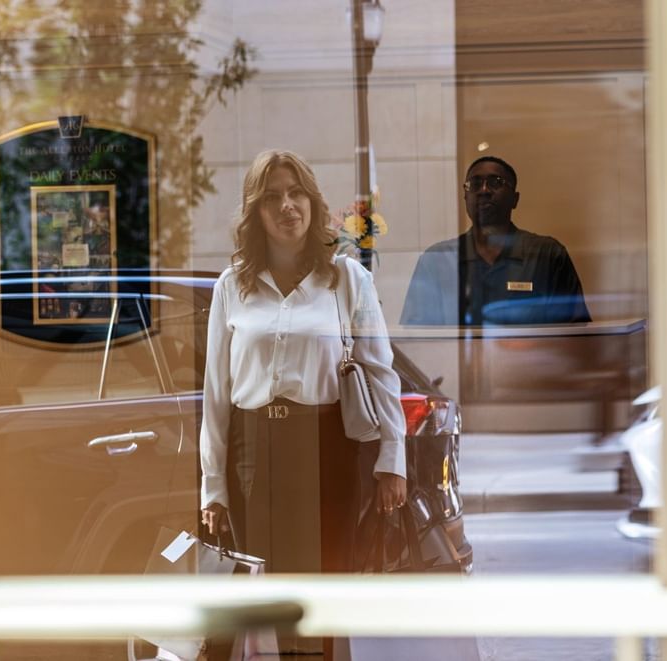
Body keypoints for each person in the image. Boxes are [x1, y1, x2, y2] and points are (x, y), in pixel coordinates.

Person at [199, 149, 407, 580]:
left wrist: (392, 459)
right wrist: (213, 485)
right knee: (261, 586)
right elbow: (216, 395)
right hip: (251, 450)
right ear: (256, 212)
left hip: (326, 445)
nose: (287, 206)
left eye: (296, 193)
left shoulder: (347, 279)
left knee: (328, 579)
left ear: (312, 202)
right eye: (272, 197)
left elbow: (381, 373)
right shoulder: (231, 286)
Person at [400, 156, 591, 326]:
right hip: (455, 358)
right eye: (475, 184)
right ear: (465, 197)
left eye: (495, 182)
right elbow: (417, 340)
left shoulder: (547, 255)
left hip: (529, 358)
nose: (484, 190)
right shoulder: (436, 260)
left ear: (515, 199)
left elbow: (575, 338)